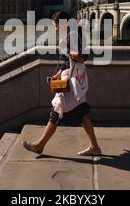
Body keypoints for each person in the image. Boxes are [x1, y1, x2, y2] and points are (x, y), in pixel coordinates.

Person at [22, 11, 102, 157]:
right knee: (82, 112)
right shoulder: (71, 35)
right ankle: (94, 146)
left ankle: (40, 145)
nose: (56, 28)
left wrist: (70, 52)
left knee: (57, 111)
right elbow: (68, 61)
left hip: (71, 83)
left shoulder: (73, 36)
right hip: (72, 79)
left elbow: (83, 57)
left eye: (56, 25)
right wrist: (59, 73)